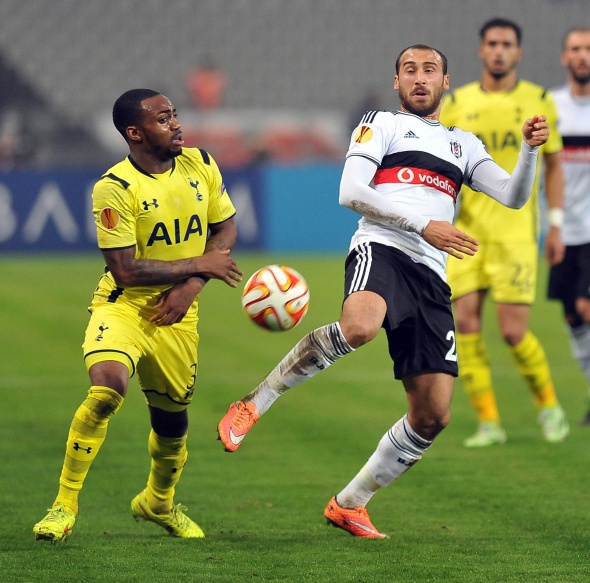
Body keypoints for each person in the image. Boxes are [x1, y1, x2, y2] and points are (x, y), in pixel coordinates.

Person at [217, 44, 550, 538]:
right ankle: (253, 403)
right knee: (360, 326)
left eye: (430, 70)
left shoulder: (464, 144)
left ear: (445, 81)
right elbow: (351, 192)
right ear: (397, 82)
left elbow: (514, 196)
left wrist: (529, 150)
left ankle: (350, 503)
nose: (420, 78)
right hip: (383, 246)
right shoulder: (382, 124)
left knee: (433, 415)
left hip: (431, 275)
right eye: (409, 70)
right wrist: (425, 225)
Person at [32, 88, 242, 543]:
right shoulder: (115, 187)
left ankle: (158, 503)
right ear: (135, 133)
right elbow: (125, 269)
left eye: (174, 114)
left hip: (179, 315)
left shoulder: (200, 164)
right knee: (108, 387)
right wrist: (199, 265)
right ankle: (63, 506)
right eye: (163, 119)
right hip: (126, 305)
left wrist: (191, 287)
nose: (177, 124)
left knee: (172, 423)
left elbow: (225, 227)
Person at [439, 18, 570, 447]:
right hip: (468, 232)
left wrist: (555, 224)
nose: (499, 50)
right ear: (481, 50)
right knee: (466, 325)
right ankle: (489, 423)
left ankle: (549, 407)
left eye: (507, 44)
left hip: (515, 234)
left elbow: (554, 165)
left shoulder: (538, 100)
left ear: (519, 52)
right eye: (492, 43)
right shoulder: (456, 103)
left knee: (513, 331)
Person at [547, 28, 590, 425]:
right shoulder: (552, 107)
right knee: (573, 319)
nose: (583, 56)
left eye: (588, 49)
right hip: (565, 232)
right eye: (576, 48)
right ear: (564, 57)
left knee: (585, 308)